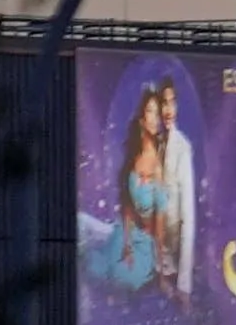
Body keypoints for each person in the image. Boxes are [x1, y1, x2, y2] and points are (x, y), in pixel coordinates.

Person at [80, 87, 168, 294]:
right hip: (124, 234)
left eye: (158, 113)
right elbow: (128, 207)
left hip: (145, 248)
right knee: (84, 233)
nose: (155, 118)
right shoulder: (134, 157)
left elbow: (160, 224)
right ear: (141, 119)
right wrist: (126, 243)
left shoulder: (158, 166)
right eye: (150, 112)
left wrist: (162, 272)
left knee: (119, 274)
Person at [158, 79, 197, 303]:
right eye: (164, 103)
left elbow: (187, 219)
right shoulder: (150, 143)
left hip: (172, 268)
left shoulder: (182, 148)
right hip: (150, 264)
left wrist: (183, 285)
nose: (168, 110)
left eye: (172, 103)